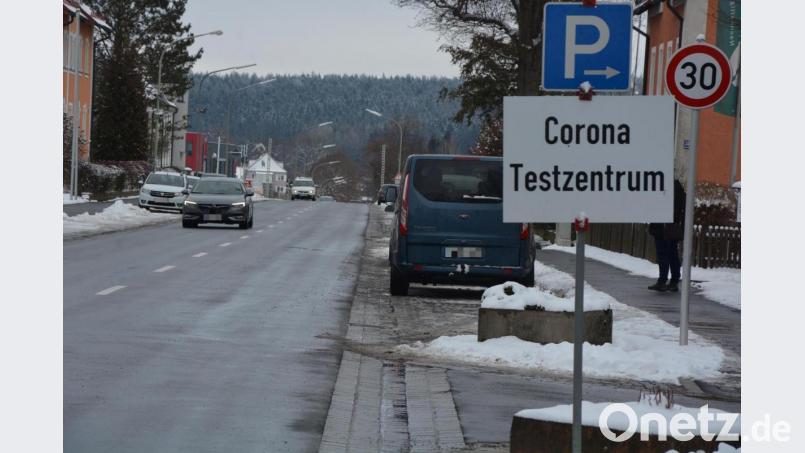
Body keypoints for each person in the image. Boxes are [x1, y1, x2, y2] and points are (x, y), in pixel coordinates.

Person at [648, 179, 686, 292]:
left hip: (665, 225)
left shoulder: (662, 183)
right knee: (670, 254)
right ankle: (671, 281)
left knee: (665, 254)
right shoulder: (674, 184)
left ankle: (665, 280)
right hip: (669, 225)